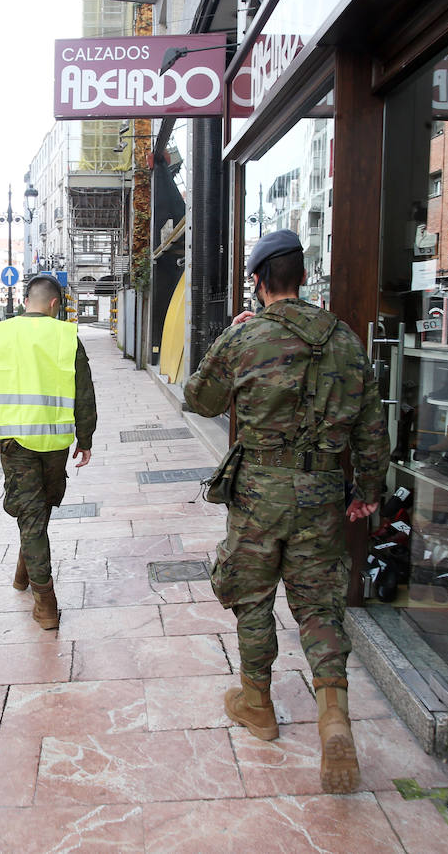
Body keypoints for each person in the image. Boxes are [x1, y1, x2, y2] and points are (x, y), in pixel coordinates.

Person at [183, 229, 389, 794]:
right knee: (320, 601)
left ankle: (257, 702)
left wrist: (228, 337)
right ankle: (333, 714)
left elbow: (197, 400)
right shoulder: (345, 340)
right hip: (323, 491)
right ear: (302, 276)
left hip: (259, 493)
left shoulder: (247, 338)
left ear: (257, 281)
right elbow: (372, 427)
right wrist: (367, 489)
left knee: (252, 593)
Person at [0, 275, 97, 629]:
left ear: (27, 300)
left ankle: (41, 596)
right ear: (55, 304)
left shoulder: (1, 334)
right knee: (37, 514)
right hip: (56, 442)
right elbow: (84, 391)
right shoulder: (68, 336)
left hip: (15, 442)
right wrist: (85, 439)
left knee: (32, 515)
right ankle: (41, 594)